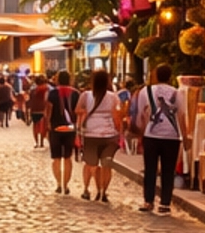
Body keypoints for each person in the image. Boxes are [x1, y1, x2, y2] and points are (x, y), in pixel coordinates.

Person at [134, 62, 184, 215]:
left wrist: (141, 133)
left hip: (151, 135)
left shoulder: (146, 91)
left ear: (155, 75)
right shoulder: (177, 93)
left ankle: (148, 201)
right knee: (168, 171)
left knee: (150, 169)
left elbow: (141, 115)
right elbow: (182, 115)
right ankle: (165, 203)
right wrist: (185, 136)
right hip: (172, 136)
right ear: (170, 77)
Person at [77, 69, 122, 203]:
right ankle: (103, 192)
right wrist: (119, 131)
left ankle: (86, 190)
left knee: (90, 164)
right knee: (106, 165)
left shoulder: (86, 95)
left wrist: (87, 111)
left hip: (90, 134)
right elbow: (117, 116)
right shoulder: (113, 97)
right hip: (109, 134)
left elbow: (77, 110)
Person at [46, 74, 77, 193]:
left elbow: (48, 109)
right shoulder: (75, 93)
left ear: (58, 80)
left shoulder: (53, 93)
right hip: (70, 128)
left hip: (56, 127)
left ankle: (59, 183)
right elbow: (77, 111)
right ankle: (66, 185)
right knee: (68, 157)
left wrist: (48, 123)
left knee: (56, 158)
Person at [28, 76, 50, 147]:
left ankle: (36, 142)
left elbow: (30, 100)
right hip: (43, 109)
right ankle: (42, 142)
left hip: (34, 109)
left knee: (35, 126)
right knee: (43, 126)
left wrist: (29, 110)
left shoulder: (33, 90)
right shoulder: (47, 89)